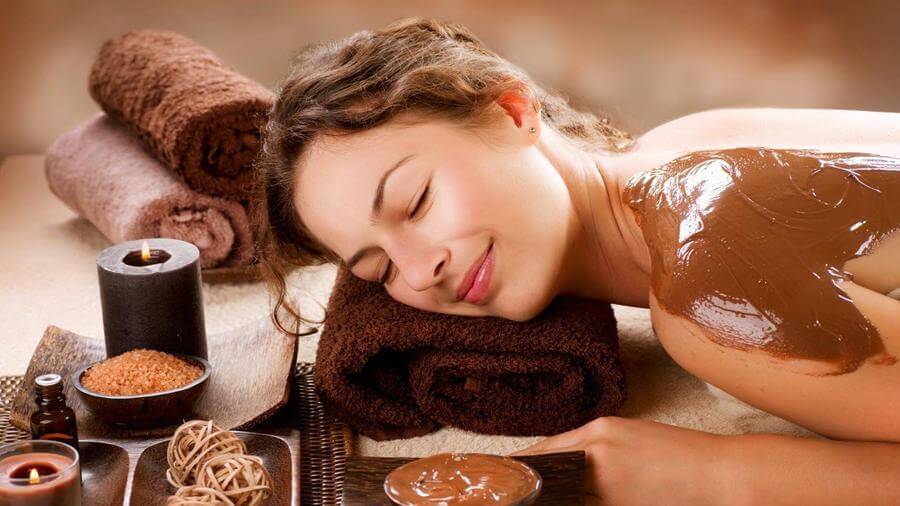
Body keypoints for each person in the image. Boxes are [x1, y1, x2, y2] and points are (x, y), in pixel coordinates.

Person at [253, 17, 900, 504]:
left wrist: (717, 473)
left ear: (513, 111)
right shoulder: (684, 139)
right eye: (380, 271)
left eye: (416, 202)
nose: (420, 271)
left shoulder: (704, 285)